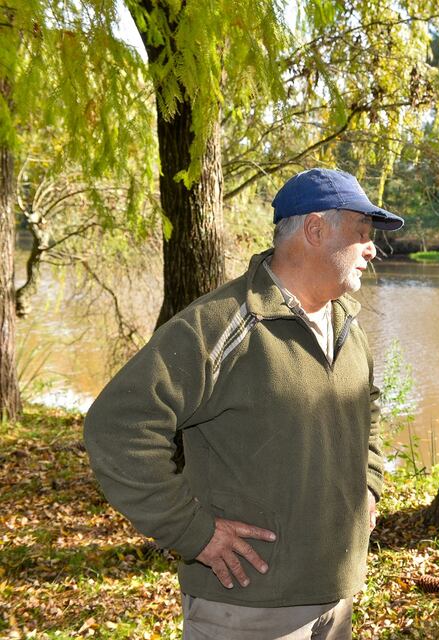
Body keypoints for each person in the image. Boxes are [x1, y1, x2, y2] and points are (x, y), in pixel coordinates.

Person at [84, 168, 404, 639]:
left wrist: (369, 485)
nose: (371, 248)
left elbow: (367, 408)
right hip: (246, 608)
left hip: (336, 598)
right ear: (314, 230)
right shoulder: (222, 325)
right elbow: (118, 427)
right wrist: (194, 532)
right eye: (361, 233)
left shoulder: (345, 325)